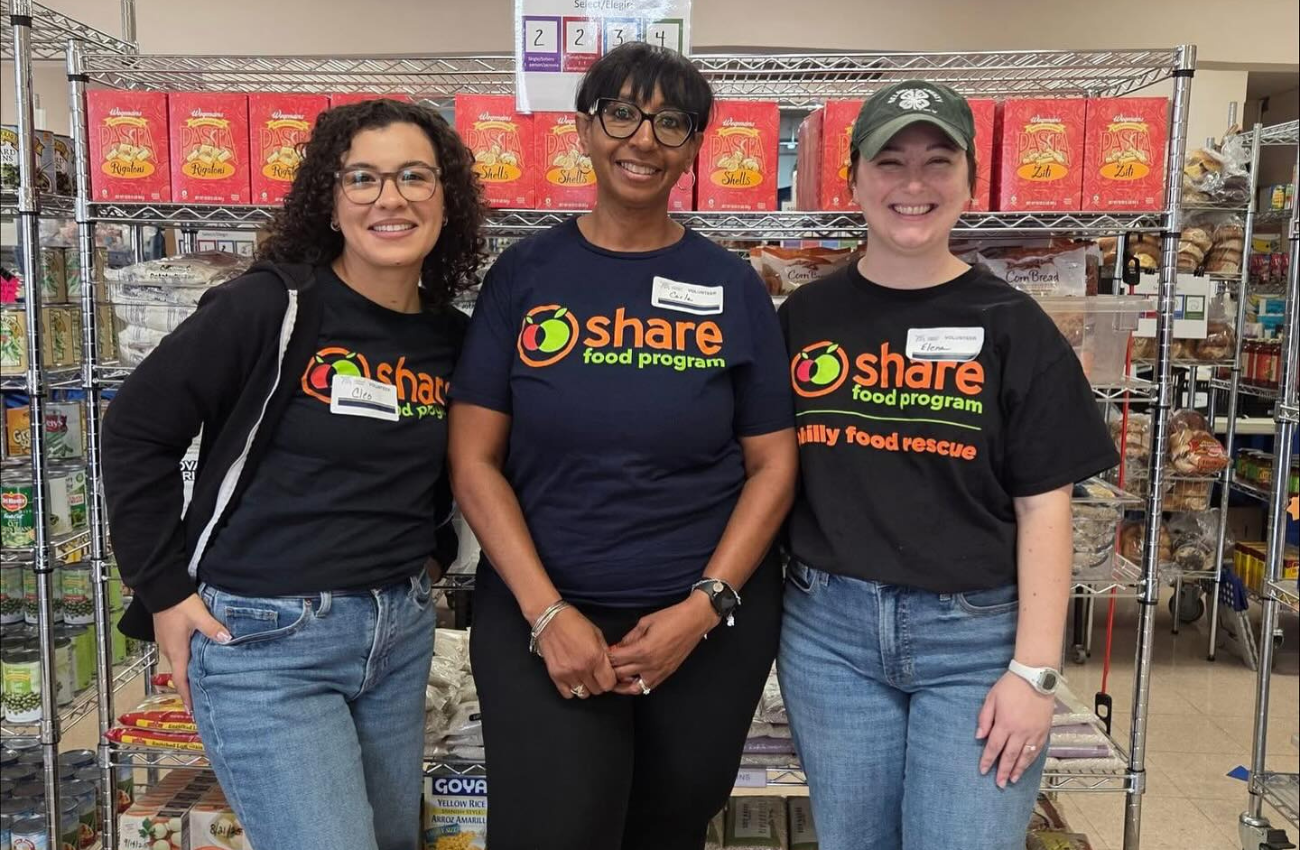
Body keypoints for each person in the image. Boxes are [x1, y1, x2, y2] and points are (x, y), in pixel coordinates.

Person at [102, 99, 486, 850]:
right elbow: (136, 430)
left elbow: (445, 471)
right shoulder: (270, 307)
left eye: (415, 175)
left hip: (398, 633)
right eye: (363, 178)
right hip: (266, 641)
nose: (391, 197)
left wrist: (429, 560)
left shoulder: (451, 337)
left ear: (446, 197)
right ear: (331, 201)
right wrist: (165, 590)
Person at [449, 42, 797, 850]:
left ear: (695, 146)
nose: (643, 139)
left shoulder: (731, 285)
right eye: (622, 113)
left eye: (670, 122)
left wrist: (702, 610)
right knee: (556, 830)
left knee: (667, 826)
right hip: (543, 617)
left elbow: (773, 464)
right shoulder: (525, 275)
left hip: (706, 628)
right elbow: (473, 461)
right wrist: (546, 613)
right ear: (584, 128)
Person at [776, 81, 1119, 850]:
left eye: (938, 161)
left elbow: (1046, 509)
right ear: (855, 178)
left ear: (969, 180)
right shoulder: (804, 320)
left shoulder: (1016, 328)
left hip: (977, 643)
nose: (913, 184)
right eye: (890, 161)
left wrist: (1035, 673)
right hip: (829, 638)